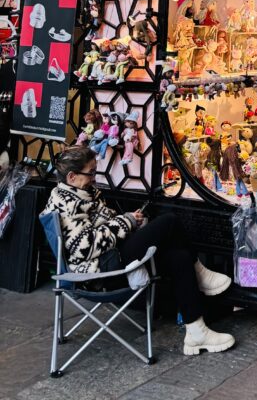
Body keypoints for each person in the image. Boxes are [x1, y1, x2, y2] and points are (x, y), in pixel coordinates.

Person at [42, 146, 236, 355]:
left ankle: (196, 332)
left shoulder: (84, 193)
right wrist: (126, 222)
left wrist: (130, 220)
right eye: (91, 172)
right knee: (169, 221)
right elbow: (85, 247)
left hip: (112, 256)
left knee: (178, 257)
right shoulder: (65, 202)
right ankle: (200, 272)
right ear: (72, 176)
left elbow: (105, 222)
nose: (94, 177)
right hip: (101, 273)